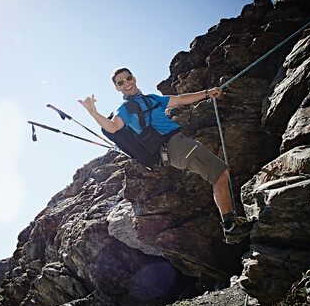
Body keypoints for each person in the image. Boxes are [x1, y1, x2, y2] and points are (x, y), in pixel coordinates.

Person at [78, 67, 253, 244]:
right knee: (219, 173)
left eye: (128, 78)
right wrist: (93, 113)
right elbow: (113, 127)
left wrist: (207, 93)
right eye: (121, 82)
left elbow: (180, 100)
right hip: (175, 146)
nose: (126, 84)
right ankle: (230, 226)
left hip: (179, 144)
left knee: (219, 174)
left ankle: (231, 224)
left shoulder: (151, 99)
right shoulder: (124, 110)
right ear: (117, 88)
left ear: (134, 78)